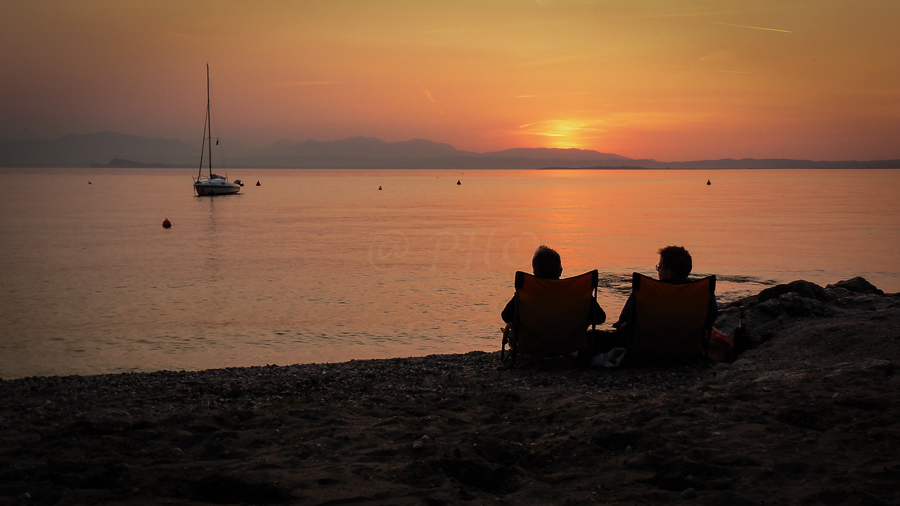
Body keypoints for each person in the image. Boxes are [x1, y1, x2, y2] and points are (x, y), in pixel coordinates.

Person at [612, 245, 717, 330]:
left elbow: (624, 320)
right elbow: (711, 319)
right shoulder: (702, 294)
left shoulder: (646, 292)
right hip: (689, 351)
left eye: (660, 267)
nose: (658, 271)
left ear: (668, 273)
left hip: (646, 350)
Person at [501, 245, 606, 326]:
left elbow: (506, 316)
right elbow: (600, 318)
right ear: (560, 271)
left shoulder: (527, 292)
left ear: (534, 272)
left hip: (531, 345)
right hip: (571, 344)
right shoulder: (577, 292)